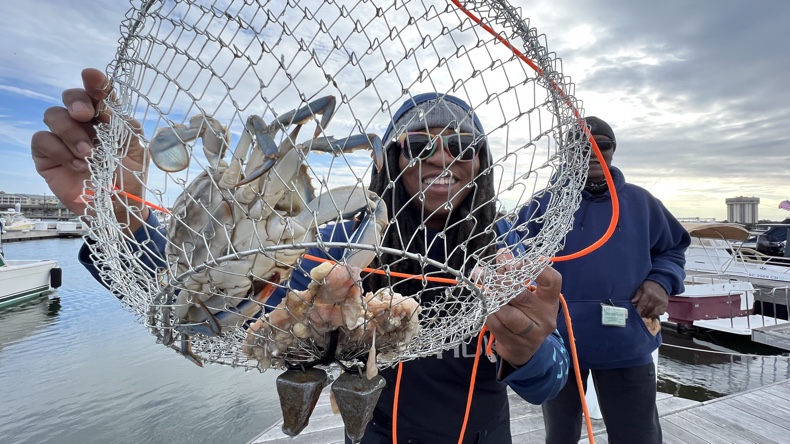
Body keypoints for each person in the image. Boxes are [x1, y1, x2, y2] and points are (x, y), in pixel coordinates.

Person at [32, 69, 569, 443]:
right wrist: (117, 217)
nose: (443, 158)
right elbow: (215, 296)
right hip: (372, 434)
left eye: (462, 146)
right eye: (421, 146)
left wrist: (529, 349)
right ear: (390, 160)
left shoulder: (508, 254)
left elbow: (551, 380)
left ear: (483, 163)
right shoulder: (338, 242)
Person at [517, 116, 690, 444]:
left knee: (638, 436)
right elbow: (512, 256)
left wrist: (661, 282)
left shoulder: (642, 203)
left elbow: (673, 248)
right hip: (558, 343)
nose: (593, 152)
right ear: (567, 154)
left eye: (603, 145)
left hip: (627, 343)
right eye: (580, 147)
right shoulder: (541, 206)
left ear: (613, 150)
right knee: (560, 436)